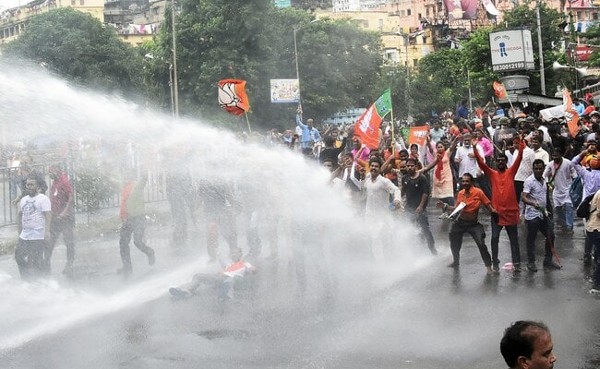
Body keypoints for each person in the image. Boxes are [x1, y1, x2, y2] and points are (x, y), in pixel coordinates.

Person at [474, 136, 524, 272]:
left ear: (506, 162)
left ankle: (517, 263)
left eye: (503, 160)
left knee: (514, 240)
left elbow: (519, 158)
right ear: (495, 163)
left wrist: (521, 144)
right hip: (496, 213)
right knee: (494, 238)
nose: (500, 162)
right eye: (498, 160)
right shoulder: (492, 173)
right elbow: (481, 164)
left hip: (511, 212)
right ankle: (495, 262)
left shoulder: (511, 172)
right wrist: (474, 148)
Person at [437, 173, 497, 274]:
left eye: (467, 181)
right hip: (460, 222)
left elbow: (488, 205)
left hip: (473, 224)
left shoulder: (478, 192)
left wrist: (494, 212)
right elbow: (456, 208)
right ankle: (456, 261)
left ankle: (488, 267)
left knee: (481, 243)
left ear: (471, 182)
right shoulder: (460, 193)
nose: (464, 183)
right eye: (463, 181)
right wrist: (445, 206)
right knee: (454, 241)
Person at [169, 247, 255, 300]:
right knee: (198, 276)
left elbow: (252, 269)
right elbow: (221, 260)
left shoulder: (245, 264)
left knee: (230, 279)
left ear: (240, 254)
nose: (233, 254)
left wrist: (252, 270)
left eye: (236, 253)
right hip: (219, 277)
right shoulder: (229, 264)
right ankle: (187, 291)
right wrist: (217, 252)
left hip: (231, 279)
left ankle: (225, 293)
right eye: (232, 253)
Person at [521, 159, 561, 272]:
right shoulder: (529, 181)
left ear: (543, 169)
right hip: (533, 215)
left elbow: (546, 197)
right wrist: (533, 203)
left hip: (543, 214)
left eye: (540, 168)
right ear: (533, 169)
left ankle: (548, 260)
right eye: (536, 169)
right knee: (531, 239)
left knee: (551, 236)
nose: (538, 171)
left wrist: (550, 211)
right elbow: (524, 197)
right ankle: (531, 262)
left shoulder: (544, 180)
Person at [118, 173, 155, 277]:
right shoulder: (124, 186)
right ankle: (127, 267)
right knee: (123, 243)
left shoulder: (136, 186)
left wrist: (145, 172)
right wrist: (105, 175)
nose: (125, 178)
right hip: (128, 219)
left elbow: (143, 181)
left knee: (137, 242)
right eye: (124, 176)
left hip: (138, 219)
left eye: (127, 176)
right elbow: (113, 181)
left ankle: (150, 252)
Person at [15, 176, 52, 280]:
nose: (29, 187)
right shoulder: (24, 200)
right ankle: (26, 278)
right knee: (18, 256)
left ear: (38, 187)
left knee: (37, 259)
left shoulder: (43, 199)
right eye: (27, 185)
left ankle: (41, 281)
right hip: (25, 234)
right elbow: (22, 215)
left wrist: (47, 231)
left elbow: (48, 215)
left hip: (37, 234)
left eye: (31, 185)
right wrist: (20, 230)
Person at [401, 158, 437, 255]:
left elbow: (425, 193)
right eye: (408, 166)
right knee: (409, 228)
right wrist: (399, 201)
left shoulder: (422, 178)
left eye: (412, 166)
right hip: (408, 207)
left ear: (416, 166)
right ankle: (414, 250)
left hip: (420, 208)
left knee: (425, 229)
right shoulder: (405, 178)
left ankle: (432, 249)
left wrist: (421, 206)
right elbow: (403, 191)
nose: (409, 167)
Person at [45, 164, 76, 276]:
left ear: (57, 170)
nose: (49, 174)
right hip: (55, 217)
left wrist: (64, 212)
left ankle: (70, 264)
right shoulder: (55, 182)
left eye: (51, 171)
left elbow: (71, 197)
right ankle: (46, 265)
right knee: (50, 242)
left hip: (66, 218)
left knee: (69, 241)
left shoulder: (64, 181)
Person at [543, 148, 576, 234]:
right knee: (558, 209)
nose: (555, 157)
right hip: (557, 191)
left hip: (568, 189)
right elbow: (544, 175)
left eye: (556, 155)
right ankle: (563, 224)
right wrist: (547, 183)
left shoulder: (568, 163)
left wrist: (575, 187)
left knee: (568, 207)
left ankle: (569, 226)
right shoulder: (550, 165)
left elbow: (574, 175)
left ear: (561, 155)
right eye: (553, 156)